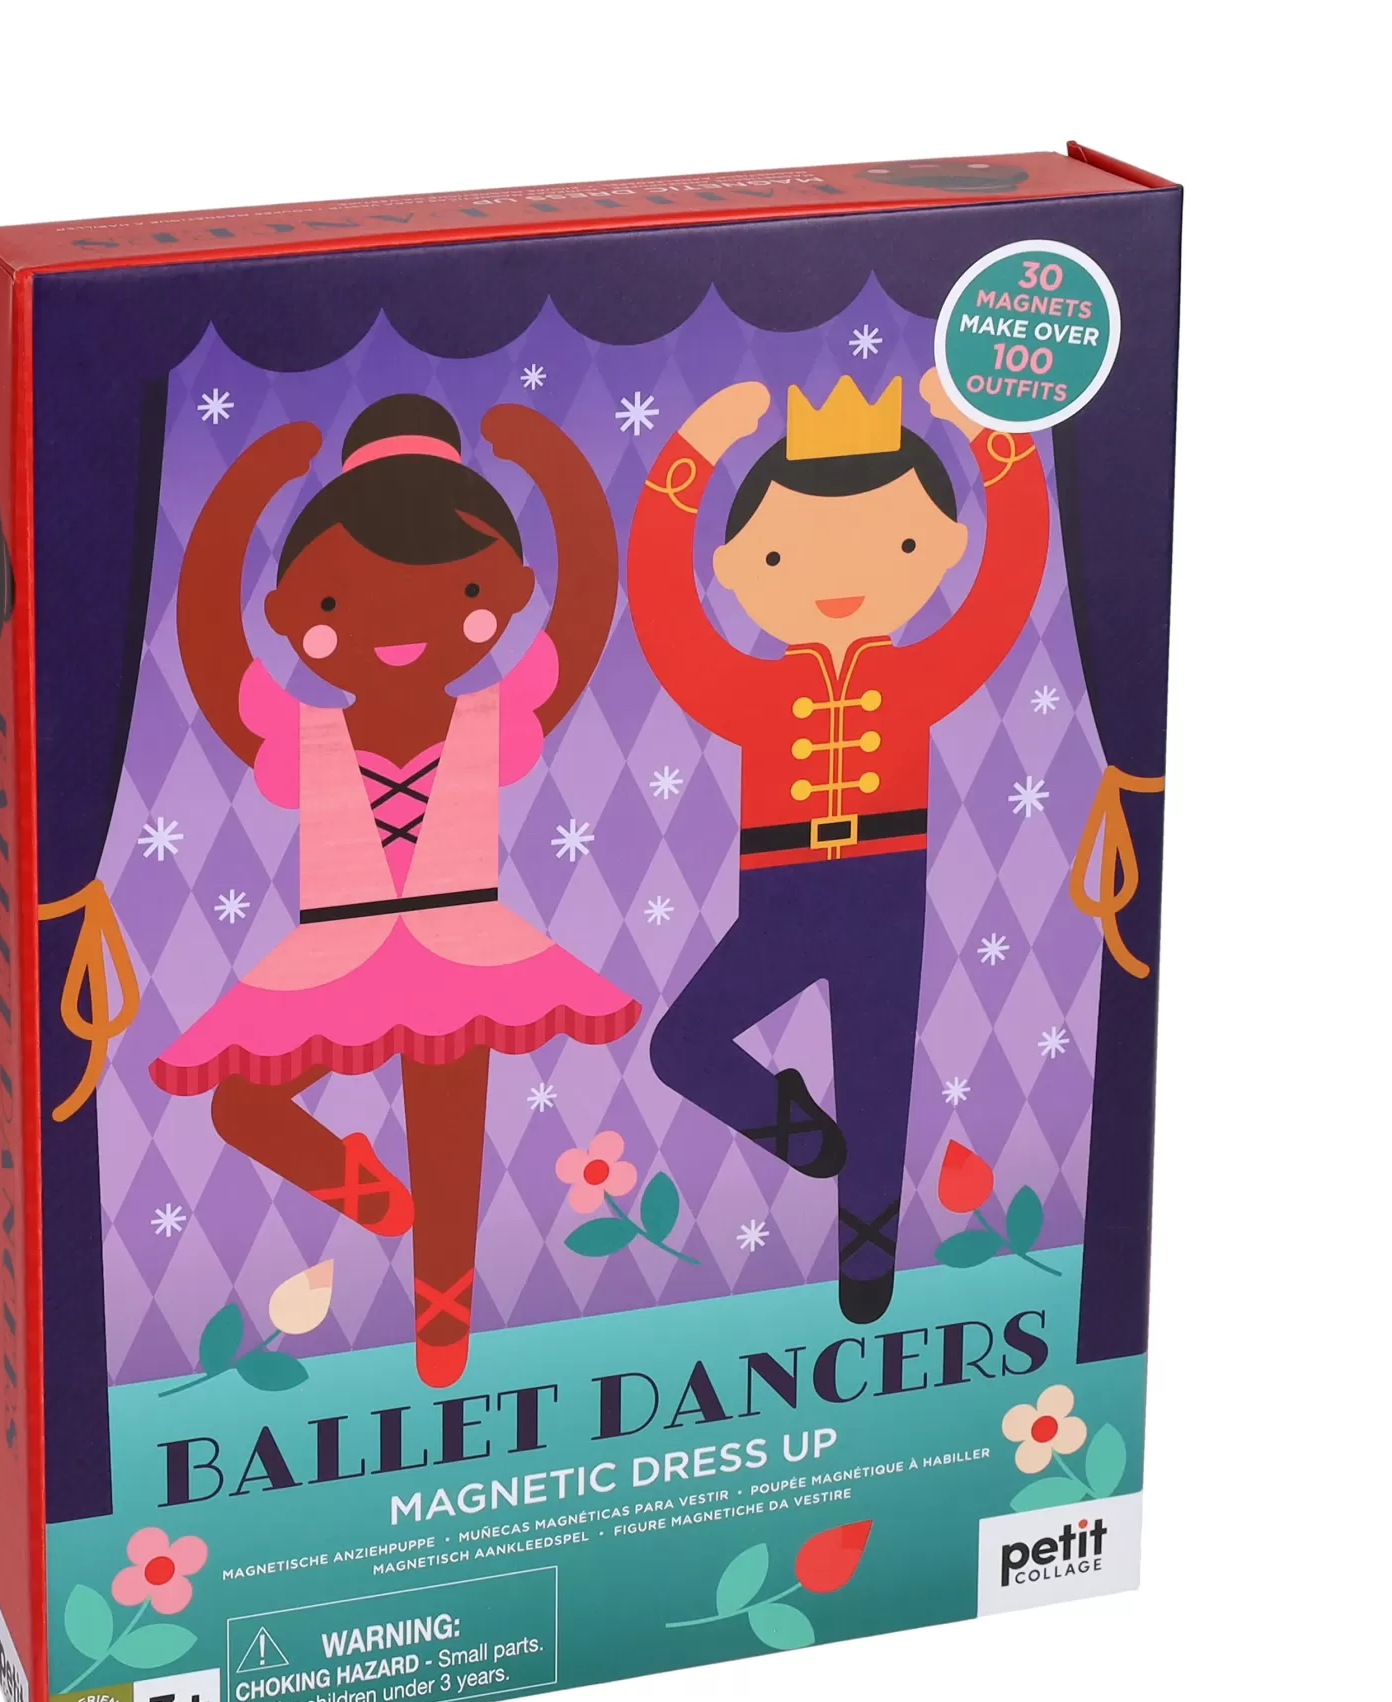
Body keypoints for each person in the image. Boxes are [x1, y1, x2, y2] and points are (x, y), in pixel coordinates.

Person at [155, 395, 638, 1385]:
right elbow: (210, 650)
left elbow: (583, 620)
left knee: (451, 1143)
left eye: (461, 594)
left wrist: (557, 465)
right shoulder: (302, 735)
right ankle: (365, 1190)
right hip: (336, 946)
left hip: (468, 950)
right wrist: (243, 491)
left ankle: (442, 1321)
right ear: (289, 617)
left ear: (509, 595)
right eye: (337, 607)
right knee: (242, 1105)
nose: (403, 631)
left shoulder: (493, 718)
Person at [627, 370, 1049, 1323]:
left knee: (877, 1083)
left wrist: (994, 436)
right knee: (683, 1044)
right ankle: (801, 1139)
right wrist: (688, 460)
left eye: (899, 545)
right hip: (781, 896)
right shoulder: (747, 689)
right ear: (737, 565)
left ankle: (868, 1265)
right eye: (783, 555)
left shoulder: (923, 674)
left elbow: (1008, 584)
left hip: (885, 893)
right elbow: (665, 614)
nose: (838, 581)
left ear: (941, 549)